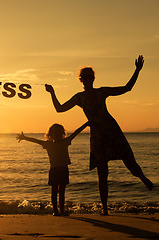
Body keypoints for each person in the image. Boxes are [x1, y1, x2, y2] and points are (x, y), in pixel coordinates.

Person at [45, 55, 153, 215]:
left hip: (111, 130)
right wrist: (52, 93)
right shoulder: (79, 98)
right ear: (81, 79)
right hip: (97, 136)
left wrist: (137, 70)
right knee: (102, 173)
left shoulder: (102, 92)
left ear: (93, 79)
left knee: (129, 161)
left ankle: (143, 178)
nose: (88, 79)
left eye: (90, 77)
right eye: (85, 77)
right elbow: (60, 109)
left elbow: (126, 88)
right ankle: (105, 209)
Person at [17, 122, 89, 216]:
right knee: (57, 191)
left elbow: (76, 133)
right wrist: (86, 124)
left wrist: (24, 138)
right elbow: (75, 133)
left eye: (58, 133)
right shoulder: (57, 143)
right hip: (58, 169)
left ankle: (59, 211)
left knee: (58, 191)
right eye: (56, 133)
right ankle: (57, 211)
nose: (57, 135)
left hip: (59, 169)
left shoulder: (54, 143)